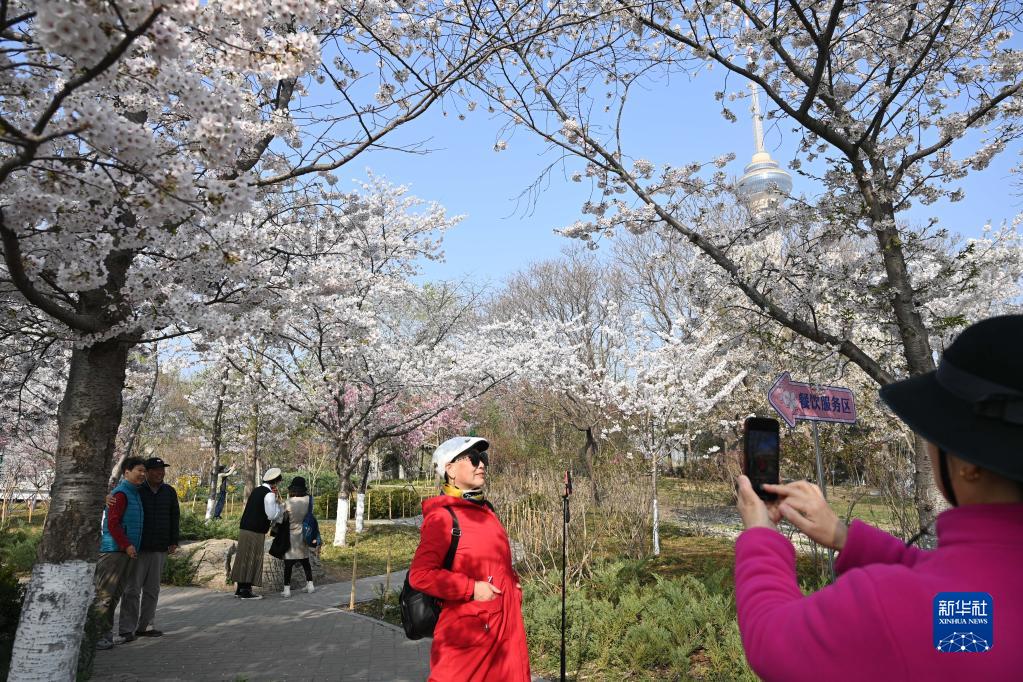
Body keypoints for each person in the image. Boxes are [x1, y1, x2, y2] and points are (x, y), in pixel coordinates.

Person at [734, 315, 1023, 681]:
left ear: (968, 464)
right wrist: (846, 538)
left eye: (935, 433)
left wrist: (760, 536)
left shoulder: (892, 606)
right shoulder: (974, 607)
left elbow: (772, 641)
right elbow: (959, 595)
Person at [408, 436, 530, 682]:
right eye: (473, 458)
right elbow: (420, 575)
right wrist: (472, 588)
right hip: (469, 635)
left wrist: (512, 581)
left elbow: (493, 560)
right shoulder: (443, 518)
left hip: (505, 627)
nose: (481, 464)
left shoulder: (486, 510)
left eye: (483, 458)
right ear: (450, 470)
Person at [118, 456, 179, 640]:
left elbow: (174, 516)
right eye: (155, 470)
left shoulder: (169, 491)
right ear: (147, 472)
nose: (160, 473)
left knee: (152, 590)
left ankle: (146, 626)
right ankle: (126, 628)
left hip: (160, 548)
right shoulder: (137, 490)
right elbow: (119, 499)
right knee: (132, 590)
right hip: (139, 547)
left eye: (162, 470)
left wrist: (173, 540)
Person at [93, 456, 147, 651]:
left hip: (126, 552)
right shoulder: (121, 494)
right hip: (114, 552)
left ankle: (104, 634)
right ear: (126, 472)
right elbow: (113, 524)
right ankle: (96, 635)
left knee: (114, 596)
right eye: (139, 470)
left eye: (144, 471)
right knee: (105, 596)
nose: (143, 474)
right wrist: (126, 545)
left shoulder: (134, 493)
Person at [230, 467, 284, 600]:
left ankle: (240, 589)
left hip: (245, 528)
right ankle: (246, 591)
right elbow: (271, 515)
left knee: (243, 557)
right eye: (279, 481)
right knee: (253, 558)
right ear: (275, 481)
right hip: (256, 530)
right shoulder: (269, 494)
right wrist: (280, 509)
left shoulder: (257, 490)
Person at [281, 475, 315, 597]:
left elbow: (281, 519)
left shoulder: (288, 502)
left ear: (292, 488)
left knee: (288, 564)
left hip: (291, 535)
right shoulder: (309, 500)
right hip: (305, 534)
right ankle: (310, 585)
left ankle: (287, 590)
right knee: (305, 561)